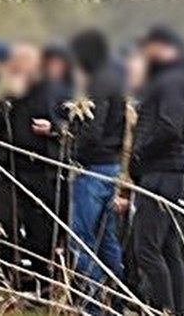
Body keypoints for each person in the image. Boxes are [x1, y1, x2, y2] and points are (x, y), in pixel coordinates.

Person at [129, 25, 184, 314]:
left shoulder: (170, 80)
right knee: (168, 249)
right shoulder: (178, 79)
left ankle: (164, 309)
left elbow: (170, 127)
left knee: (146, 249)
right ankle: (175, 309)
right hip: (166, 170)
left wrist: (140, 153)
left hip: (160, 172)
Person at [0, 43, 61, 291]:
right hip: (8, 169)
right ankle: (9, 281)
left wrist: (52, 129)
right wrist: (7, 99)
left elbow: (66, 123)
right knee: (8, 227)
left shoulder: (50, 90)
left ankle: (43, 282)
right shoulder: (6, 94)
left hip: (39, 169)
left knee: (41, 230)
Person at [67, 28, 129, 313]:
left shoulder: (96, 83)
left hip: (91, 168)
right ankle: (118, 298)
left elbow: (93, 128)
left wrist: (73, 153)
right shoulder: (114, 79)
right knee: (106, 239)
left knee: (81, 237)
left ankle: (92, 304)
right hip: (110, 166)